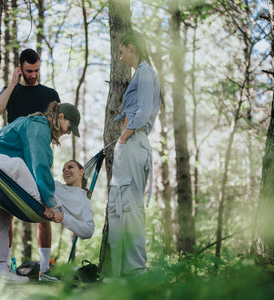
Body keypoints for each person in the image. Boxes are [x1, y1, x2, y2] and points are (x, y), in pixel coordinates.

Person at [0, 102, 81, 288]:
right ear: (60, 117)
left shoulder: (37, 127)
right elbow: (39, 167)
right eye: (70, 127)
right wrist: (47, 202)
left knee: (2, 218)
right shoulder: (38, 127)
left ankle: (1, 270)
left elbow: (33, 167)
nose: (68, 133)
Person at [0, 48, 60, 282]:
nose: (33, 75)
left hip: (38, 159)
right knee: (7, 211)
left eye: (37, 70)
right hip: (13, 160)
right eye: (29, 71)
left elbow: (58, 127)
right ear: (21, 68)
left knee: (44, 211)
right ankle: (6, 266)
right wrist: (12, 83)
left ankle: (45, 269)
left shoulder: (50, 93)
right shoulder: (13, 91)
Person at [108, 31, 161, 277]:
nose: (120, 58)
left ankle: (136, 271)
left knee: (131, 207)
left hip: (133, 142)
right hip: (128, 145)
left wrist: (125, 136)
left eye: (121, 52)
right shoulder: (142, 72)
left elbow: (144, 109)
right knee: (119, 207)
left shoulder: (145, 71)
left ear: (131, 47)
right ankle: (121, 273)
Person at [52, 160, 94, 240]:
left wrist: (63, 218)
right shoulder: (57, 185)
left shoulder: (84, 201)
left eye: (70, 167)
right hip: (29, 192)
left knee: (19, 162)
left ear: (81, 172)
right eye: (63, 170)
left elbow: (88, 231)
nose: (66, 170)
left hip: (34, 204)